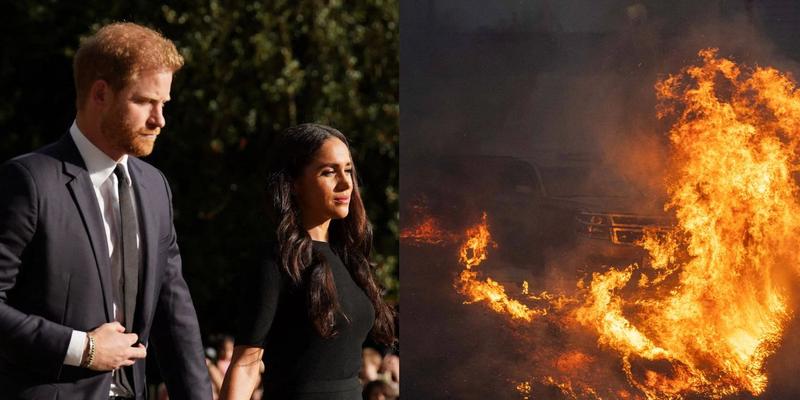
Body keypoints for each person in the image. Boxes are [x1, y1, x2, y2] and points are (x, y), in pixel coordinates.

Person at [0, 22, 212, 399]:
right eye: (146, 102)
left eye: (163, 104)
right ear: (101, 93)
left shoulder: (155, 187)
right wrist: (83, 349)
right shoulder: (29, 181)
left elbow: (174, 313)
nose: (159, 120)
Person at [220, 123, 396, 400]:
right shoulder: (277, 259)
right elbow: (246, 363)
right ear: (295, 183)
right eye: (329, 171)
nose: (346, 183)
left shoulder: (351, 257)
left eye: (348, 170)